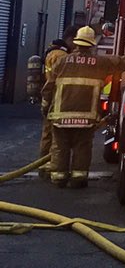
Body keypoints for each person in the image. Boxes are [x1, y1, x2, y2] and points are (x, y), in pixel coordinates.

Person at [48, 26, 125, 188]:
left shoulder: (61, 62)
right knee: (82, 147)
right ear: (91, 45)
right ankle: (78, 178)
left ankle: (59, 178)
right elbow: (121, 62)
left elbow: (49, 87)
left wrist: (45, 107)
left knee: (60, 147)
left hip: (60, 116)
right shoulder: (99, 63)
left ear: (76, 43)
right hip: (86, 118)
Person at [38, 26, 76, 180]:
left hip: (53, 100)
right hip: (56, 101)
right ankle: (49, 168)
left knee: (49, 135)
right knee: (55, 137)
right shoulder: (60, 56)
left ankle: (44, 167)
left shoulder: (53, 52)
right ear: (70, 39)